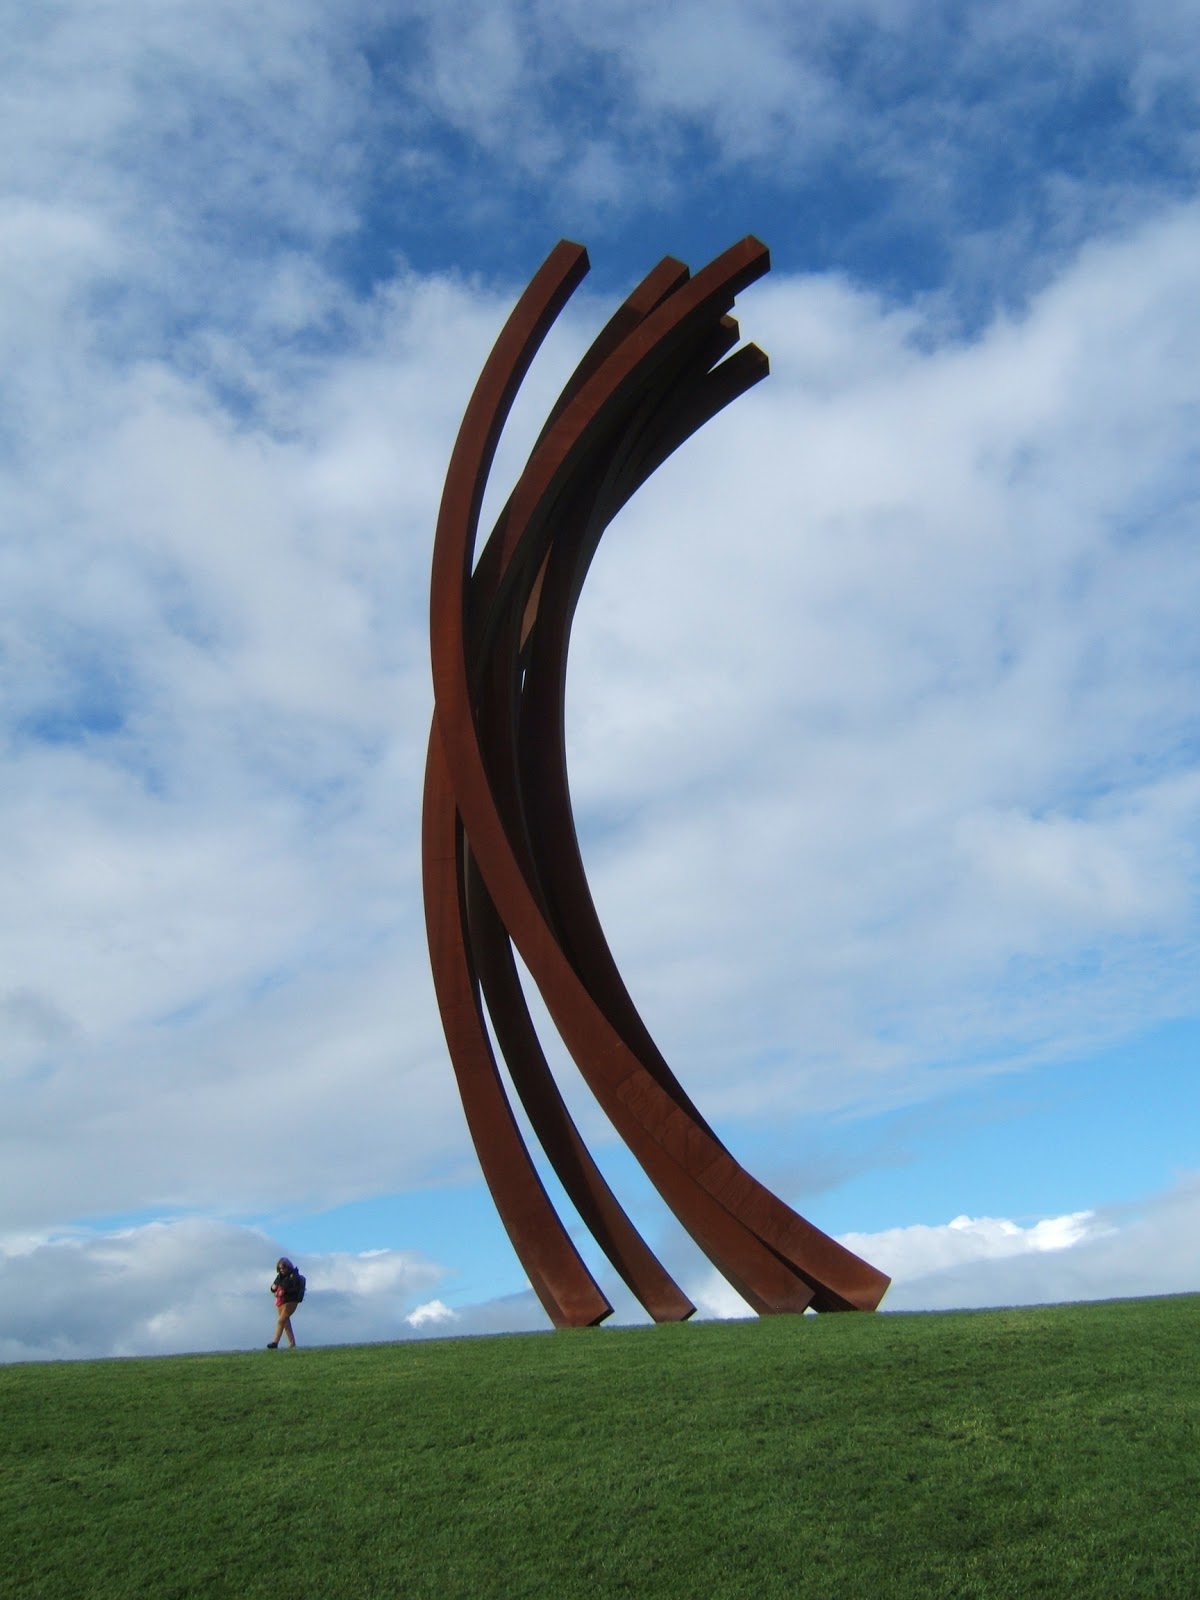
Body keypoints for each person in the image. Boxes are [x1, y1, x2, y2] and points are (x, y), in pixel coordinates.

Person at [268, 1256, 304, 1349]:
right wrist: (273, 1288)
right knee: (285, 1323)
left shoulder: (294, 1276)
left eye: (283, 1268)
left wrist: (285, 1291)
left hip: (291, 1302)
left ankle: (275, 1342)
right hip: (281, 1301)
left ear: (288, 1267)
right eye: (280, 1268)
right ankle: (292, 1344)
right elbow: (274, 1287)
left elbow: (295, 1289)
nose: (282, 1270)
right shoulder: (280, 1276)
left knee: (281, 1321)